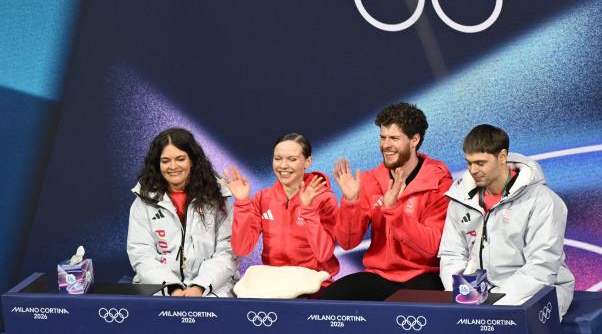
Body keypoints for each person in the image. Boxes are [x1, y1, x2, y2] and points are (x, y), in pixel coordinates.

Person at [438, 124, 574, 318]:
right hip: (481, 293)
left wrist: (496, 303)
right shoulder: (460, 199)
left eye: (480, 163)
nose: (472, 170)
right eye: (469, 163)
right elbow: (452, 253)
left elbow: (541, 268)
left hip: (541, 290)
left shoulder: (543, 201)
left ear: (502, 157)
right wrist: (464, 290)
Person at [322, 102, 453, 300]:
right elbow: (348, 243)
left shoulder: (439, 182)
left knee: (405, 310)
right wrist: (351, 202)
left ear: (414, 140)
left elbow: (432, 248)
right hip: (380, 274)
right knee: (331, 299)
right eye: (383, 137)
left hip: (425, 274)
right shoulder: (369, 180)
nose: (385, 145)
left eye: (394, 138)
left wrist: (393, 211)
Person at [127, 128, 238, 297]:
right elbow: (141, 254)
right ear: (157, 164)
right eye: (165, 161)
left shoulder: (218, 198)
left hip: (212, 286)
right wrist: (171, 288)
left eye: (180, 159)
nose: (173, 167)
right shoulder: (143, 202)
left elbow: (227, 251)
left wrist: (199, 287)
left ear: (192, 160)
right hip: (160, 288)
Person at [227, 133, 339, 286]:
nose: (283, 165)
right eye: (278, 159)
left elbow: (324, 254)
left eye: (292, 159)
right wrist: (242, 203)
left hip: (314, 283)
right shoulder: (263, 198)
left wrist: (308, 210)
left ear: (307, 162)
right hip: (275, 283)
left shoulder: (323, 198)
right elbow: (241, 249)